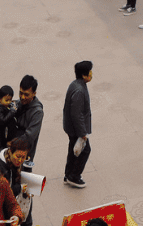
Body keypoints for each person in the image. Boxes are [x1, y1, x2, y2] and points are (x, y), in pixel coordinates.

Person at [62, 60, 92, 189]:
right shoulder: (79, 91)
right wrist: (82, 133)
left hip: (71, 127)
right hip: (76, 129)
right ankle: (74, 176)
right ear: (84, 75)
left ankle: (68, 173)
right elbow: (76, 114)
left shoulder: (75, 84)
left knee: (73, 150)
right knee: (84, 150)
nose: (92, 74)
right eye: (90, 72)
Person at [12, 76, 43, 165]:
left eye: (26, 94)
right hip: (13, 151)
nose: (22, 97)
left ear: (34, 93)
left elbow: (29, 136)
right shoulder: (18, 103)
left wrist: (11, 143)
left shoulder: (37, 112)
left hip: (25, 154)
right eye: (20, 93)